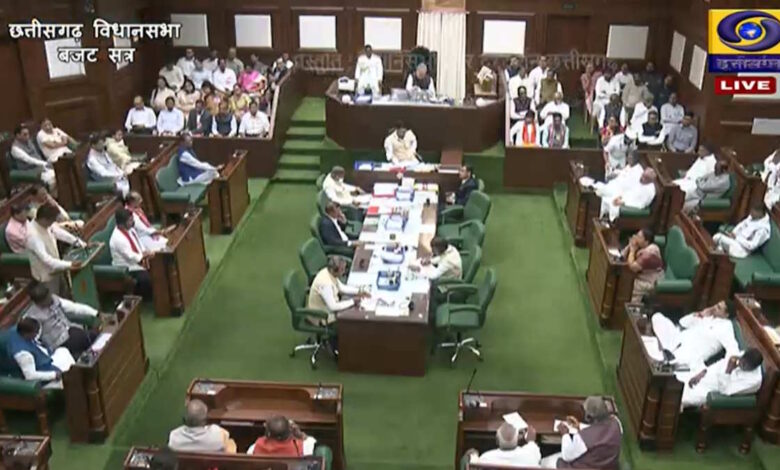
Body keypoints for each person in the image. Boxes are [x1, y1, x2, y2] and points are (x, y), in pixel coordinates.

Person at [650, 300, 740, 370]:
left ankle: (666, 355)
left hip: (690, 353)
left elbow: (732, 348)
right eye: (716, 305)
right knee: (657, 317)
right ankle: (665, 350)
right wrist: (700, 314)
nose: (714, 308)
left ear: (726, 315)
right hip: (678, 338)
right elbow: (683, 322)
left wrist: (727, 367)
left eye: (719, 308)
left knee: (670, 359)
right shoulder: (708, 316)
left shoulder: (726, 327)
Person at [540, 396, 622, 469]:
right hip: (607, 465)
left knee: (543, 462)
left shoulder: (584, 438)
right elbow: (600, 432)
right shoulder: (616, 423)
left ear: (589, 417)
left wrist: (565, 434)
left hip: (583, 466)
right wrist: (579, 427)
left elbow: (567, 456)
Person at [25, 203, 85, 296]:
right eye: (52, 221)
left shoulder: (47, 224)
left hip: (58, 268)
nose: (52, 223)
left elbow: (60, 233)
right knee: (53, 300)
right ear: (44, 219)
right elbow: (46, 260)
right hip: (46, 276)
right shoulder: (32, 236)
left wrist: (81, 244)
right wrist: (70, 265)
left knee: (65, 295)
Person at [25, 282, 97, 357]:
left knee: (96, 337)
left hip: (72, 332)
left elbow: (74, 308)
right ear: (38, 302)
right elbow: (35, 340)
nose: (50, 299)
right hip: (60, 345)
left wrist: (96, 313)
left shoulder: (54, 299)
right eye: (45, 299)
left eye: (49, 295)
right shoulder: (32, 317)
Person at [678, 348, 763, 408]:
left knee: (680, 399)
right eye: (741, 362)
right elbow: (719, 364)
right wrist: (702, 373)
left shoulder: (753, 381)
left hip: (711, 391)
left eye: (745, 366)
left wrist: (728, 370)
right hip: (707, 377)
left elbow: (725, 391)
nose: (740, 365)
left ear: (753, 368)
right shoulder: (742, 355)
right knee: (676, 380)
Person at [5, 318, 74, 390]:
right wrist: (55, 375)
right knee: (71, 383)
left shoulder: (20, 334)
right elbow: (30, 376)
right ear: (28, 334)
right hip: (46, 381)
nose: (37, 334)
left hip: (46, 363)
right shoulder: (23, 355)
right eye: (36, 332)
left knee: (63, 351)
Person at [110, 208, 154, 300]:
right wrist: (145, 255)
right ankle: (147, 299)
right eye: (130, 220)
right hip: (127, 267)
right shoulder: (117, 239)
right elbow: (131, 256)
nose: (133, 222)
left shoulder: (130, 229)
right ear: (122, 223)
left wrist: (145, 251)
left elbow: (138, 243)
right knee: (146, 279)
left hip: (139, 259)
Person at [307, 256, 363, 324]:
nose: (344, 272)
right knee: (354, 319)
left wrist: (359, 291)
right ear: (333, 270)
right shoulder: (325, 284)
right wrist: (353, 301)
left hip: (329, 308)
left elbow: (342, 288)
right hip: (322, 317)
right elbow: (333, 307)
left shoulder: (329, 272)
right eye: (342, 270)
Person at [168, 399, 236, 453]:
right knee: (230, 443)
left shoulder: (174, 437)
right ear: (205, 420)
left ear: (184, 419)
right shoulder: (217, 433)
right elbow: (227, 435)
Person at [464, 422, 541, 467]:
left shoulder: (485, 459)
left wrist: (473, 455)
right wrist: (531, 441)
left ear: (497, 440)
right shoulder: (531, 457)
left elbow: (473, 464)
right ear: (518, 439)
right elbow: (532, 448)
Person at [621, 227, 663, 303]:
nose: (636, 238)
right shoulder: (640, 246)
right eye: (636, 235)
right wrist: (630, 245)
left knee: (627, 285)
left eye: (639, 237)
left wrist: (632, 250)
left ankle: (630, 306)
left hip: (651, 282)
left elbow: (633, 267)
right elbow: (622, 256)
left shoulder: (651, 252)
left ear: (646, 241)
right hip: (640, 277)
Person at [10, 125, 56, 191]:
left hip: (40, 166)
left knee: (57, 175)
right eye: (25, 134)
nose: (28, 136)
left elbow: (37, 155)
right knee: (51, 179)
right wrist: (44, 163)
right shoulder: (15, 148)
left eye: (28, 134)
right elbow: (29, 160)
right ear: (18, 135)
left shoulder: (29, 141)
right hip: (30, 170)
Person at [251, 415, 316, 456]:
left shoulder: (256, 446)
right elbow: (312, 441)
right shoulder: (300, 446)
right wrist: (300, 434)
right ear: (290, 431)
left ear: (268, 433)